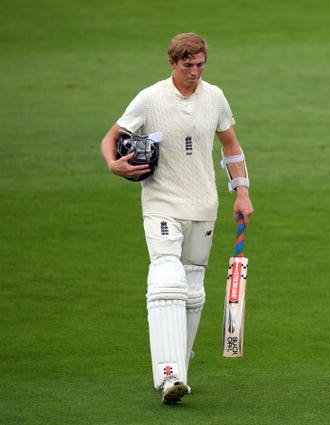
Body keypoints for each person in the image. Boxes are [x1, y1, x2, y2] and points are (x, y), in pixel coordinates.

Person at [100, 33, 254, 404]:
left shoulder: (214, 96)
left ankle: (179, 369)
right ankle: (168, 374)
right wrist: (113, 165)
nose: (195, 72)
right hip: (162, 202)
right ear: (173, 63)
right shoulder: (150, 97)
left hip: (204, 205)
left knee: (193, 288)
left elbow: (230, 145)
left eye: (200, 65)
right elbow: (113, 136)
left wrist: (243, 191)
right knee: (167, 278)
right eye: (188, 66)